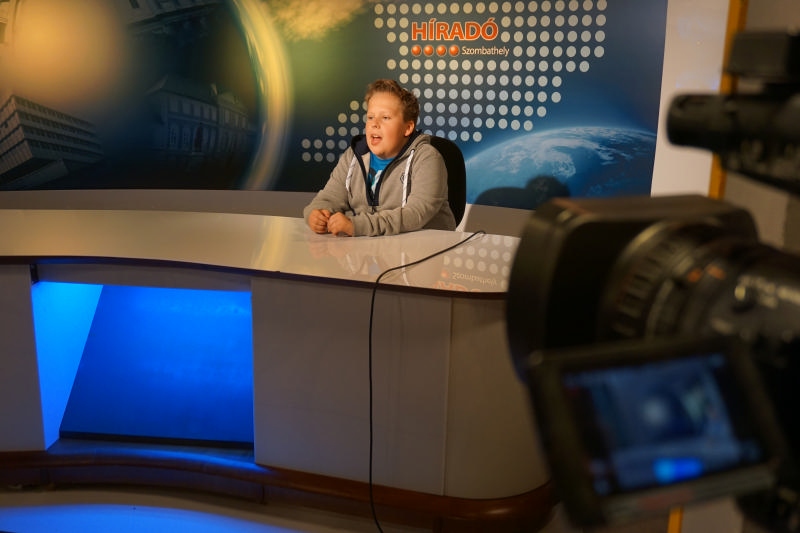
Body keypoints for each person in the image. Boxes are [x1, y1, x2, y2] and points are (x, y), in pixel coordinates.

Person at [303, 79, 456, 237]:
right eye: (370, 117)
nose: (374, 124)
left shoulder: (427, 158)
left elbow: (416, 214)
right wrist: (316, 214)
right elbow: (327, 199)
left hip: (427, 246)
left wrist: (358, 225)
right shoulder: (353, 156)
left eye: (385, 118)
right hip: (370, 247)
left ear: (408, 128)